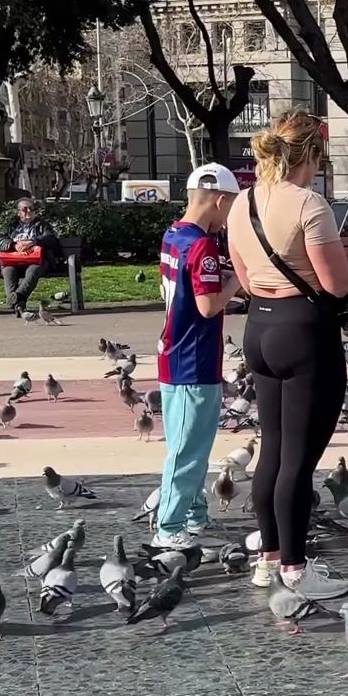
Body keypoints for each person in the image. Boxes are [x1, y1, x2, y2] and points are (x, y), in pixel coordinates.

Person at [226, 109, 348, 598]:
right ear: (311, 154)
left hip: (260, 328)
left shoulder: (241, 203)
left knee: (270, 449)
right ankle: (296, 567)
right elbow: (337, 284)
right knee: (298, 459)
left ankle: (268, 558)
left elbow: (247, 281)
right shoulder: (309, 205)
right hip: (305, 333)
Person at [152, 164, 245, 548]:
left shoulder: (174, 234)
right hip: (194, 359)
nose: (230, 218)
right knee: (189, 450)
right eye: (231, 207)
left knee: (190, 444)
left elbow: (183, 292)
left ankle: (194, 516)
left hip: (173, 353)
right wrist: (236, 280)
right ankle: (169, 529)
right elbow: (208, 306)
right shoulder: (204, 245)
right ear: (219, 200)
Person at [0, 199, 63, 316]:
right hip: (14, 259)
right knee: (8, 271)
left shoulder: (42, 225)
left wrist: (33, 242)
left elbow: (51, 238)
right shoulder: (11, 226)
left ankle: (17, 298)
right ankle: (19, 304)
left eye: (31, 209)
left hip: (37, 260)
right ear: (18, 212)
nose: (29, 211)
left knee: (33, 271)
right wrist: (14, 245)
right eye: (25, 209)